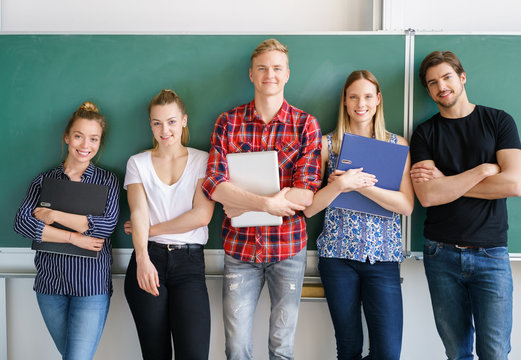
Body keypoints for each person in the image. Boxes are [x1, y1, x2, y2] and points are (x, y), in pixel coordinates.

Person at [202, 38, 322, 360]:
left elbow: (306, 191)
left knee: (282, 347)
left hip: (288, 250)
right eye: (263, 68)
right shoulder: (228, 122)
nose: (270, 74)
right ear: (251, 75)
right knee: (236, 346)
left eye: (277, 68)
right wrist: (268, 205)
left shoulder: (304, 124)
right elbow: (214, 184)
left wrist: (241, 200)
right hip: (240, 249)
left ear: (287, 74)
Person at [410, 51, 521, 359]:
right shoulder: (425, 132)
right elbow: (428, 196)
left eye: (446, 77)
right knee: (457, 353)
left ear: (461, 77)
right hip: (440, 253)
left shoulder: (499, 121)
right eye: (432, 83)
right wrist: (482, 171)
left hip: (491, 254)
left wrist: (447, 181)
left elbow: (514, 184)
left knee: (496, 352)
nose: (441, 86)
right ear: (429, 91)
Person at [303, 70, 414, 360]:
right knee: (349, 348)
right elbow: (309, 208)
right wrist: (340, 184)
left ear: (378, 100)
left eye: (367, 96)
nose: (360, 103)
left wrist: (361, 186)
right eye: (353, 97)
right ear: (344, 101)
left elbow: (405, 206)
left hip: (383, 258)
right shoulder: (327, 146)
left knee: (388, 352)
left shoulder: (396, 145)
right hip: (337, 258)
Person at [13, 101, 120, 360]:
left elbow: (104, 226)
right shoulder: (44, 181)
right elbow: (23, 223)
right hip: (50, 286)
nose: (85, 145)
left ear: (100, 142)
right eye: (78, 136)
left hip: (91, 287)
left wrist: (52, 216)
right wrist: (74, 237)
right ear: (66, 137)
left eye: (93, 139)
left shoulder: (107, 181)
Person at [123, 89, 214, 360]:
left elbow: (201, 216)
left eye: (172, 121)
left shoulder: (203, 159)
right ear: (150, 124)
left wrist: (151, 230)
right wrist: (142, 258)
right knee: (155, 355)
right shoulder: (137, 163)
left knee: (195, 354)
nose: (165, 130)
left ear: (184, 120)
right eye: (157, 123)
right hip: (148, 259)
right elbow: (138, 212)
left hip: (189, 264)